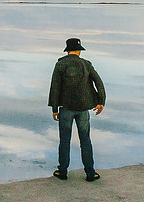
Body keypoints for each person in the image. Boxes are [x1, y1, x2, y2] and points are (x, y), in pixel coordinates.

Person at [48, 37, 106, 182]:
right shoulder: (86, 64)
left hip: (66, 108)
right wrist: (101, 101)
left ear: (67, 50)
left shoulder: (60, 65)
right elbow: (99, 82)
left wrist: (54, 108)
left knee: (65, 140)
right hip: (83, 109)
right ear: (79, 51)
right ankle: (90, 173)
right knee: (85, 140)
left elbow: (55, 87)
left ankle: (62, 172)